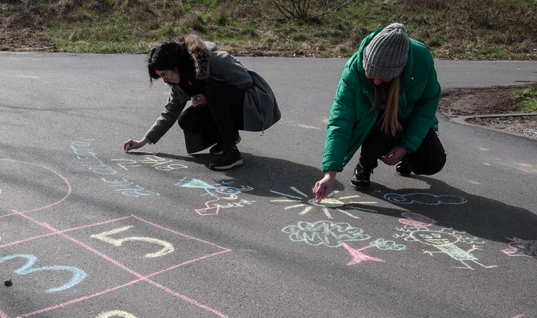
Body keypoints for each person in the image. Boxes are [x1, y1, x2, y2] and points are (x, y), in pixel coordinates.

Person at [313, 22, 446, 202]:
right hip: (375, 123)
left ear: (399, 71)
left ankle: (406, 158)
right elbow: (340, 121)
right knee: (373, 121)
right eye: (371, 74)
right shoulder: (353, 71)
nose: (375, 82)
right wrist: (330, 173)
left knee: (432, 162)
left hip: (406, 119)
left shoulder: (421, 61)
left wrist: (406, 147)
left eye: (382, 77)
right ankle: (365, 166)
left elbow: (426, 107)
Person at [123, 34, 280, 171]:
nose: (165, 80)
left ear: (175, 65)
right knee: (186, 120)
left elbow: (246, 81)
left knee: (212, 91)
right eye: (161, 77)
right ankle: (229, 137)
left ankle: (231, 152)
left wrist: (210, 95)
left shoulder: (215, 60)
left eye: (164, 74)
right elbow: (169, 113)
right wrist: (143, 141)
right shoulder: (179, 83)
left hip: (256, 103)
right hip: (230, 103)